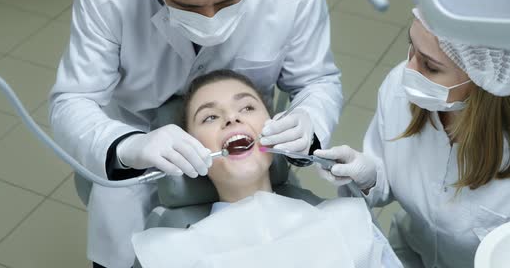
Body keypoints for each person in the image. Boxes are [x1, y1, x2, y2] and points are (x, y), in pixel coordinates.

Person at [49, 0, 343, 267]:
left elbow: (316, 81)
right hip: (136, 162)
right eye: (187, 7)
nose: (210, 18)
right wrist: (128, 146)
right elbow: (72, 100)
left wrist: (310, 119)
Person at [315, 8, 510, 268]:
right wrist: (370, 177)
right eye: (411, 47)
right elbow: (390, 179)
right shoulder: (400, 88)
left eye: (430, 66)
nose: (409, 69)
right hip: (410, 251)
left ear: (483, 80)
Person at [131, 70, 401, 268]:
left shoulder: (348, 222)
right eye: (210, 116)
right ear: (190, 148)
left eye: (247, 107)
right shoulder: (171, 255)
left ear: (275, 127)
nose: (232, 118)